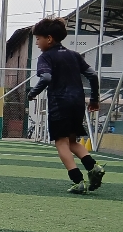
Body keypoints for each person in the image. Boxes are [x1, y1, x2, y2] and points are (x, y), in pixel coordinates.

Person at [26, 18, 104, 192]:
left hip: (59, 103)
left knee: (61, 142)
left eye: (38, 39)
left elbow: (46, 77)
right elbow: (93, 75)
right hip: (78, 102)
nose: (37, 43)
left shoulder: (45, 57)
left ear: (49, 38)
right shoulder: (74, 55)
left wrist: (33, 93)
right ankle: (93, 167)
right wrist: (94, 99)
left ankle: (78, 180)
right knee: (72, 141)